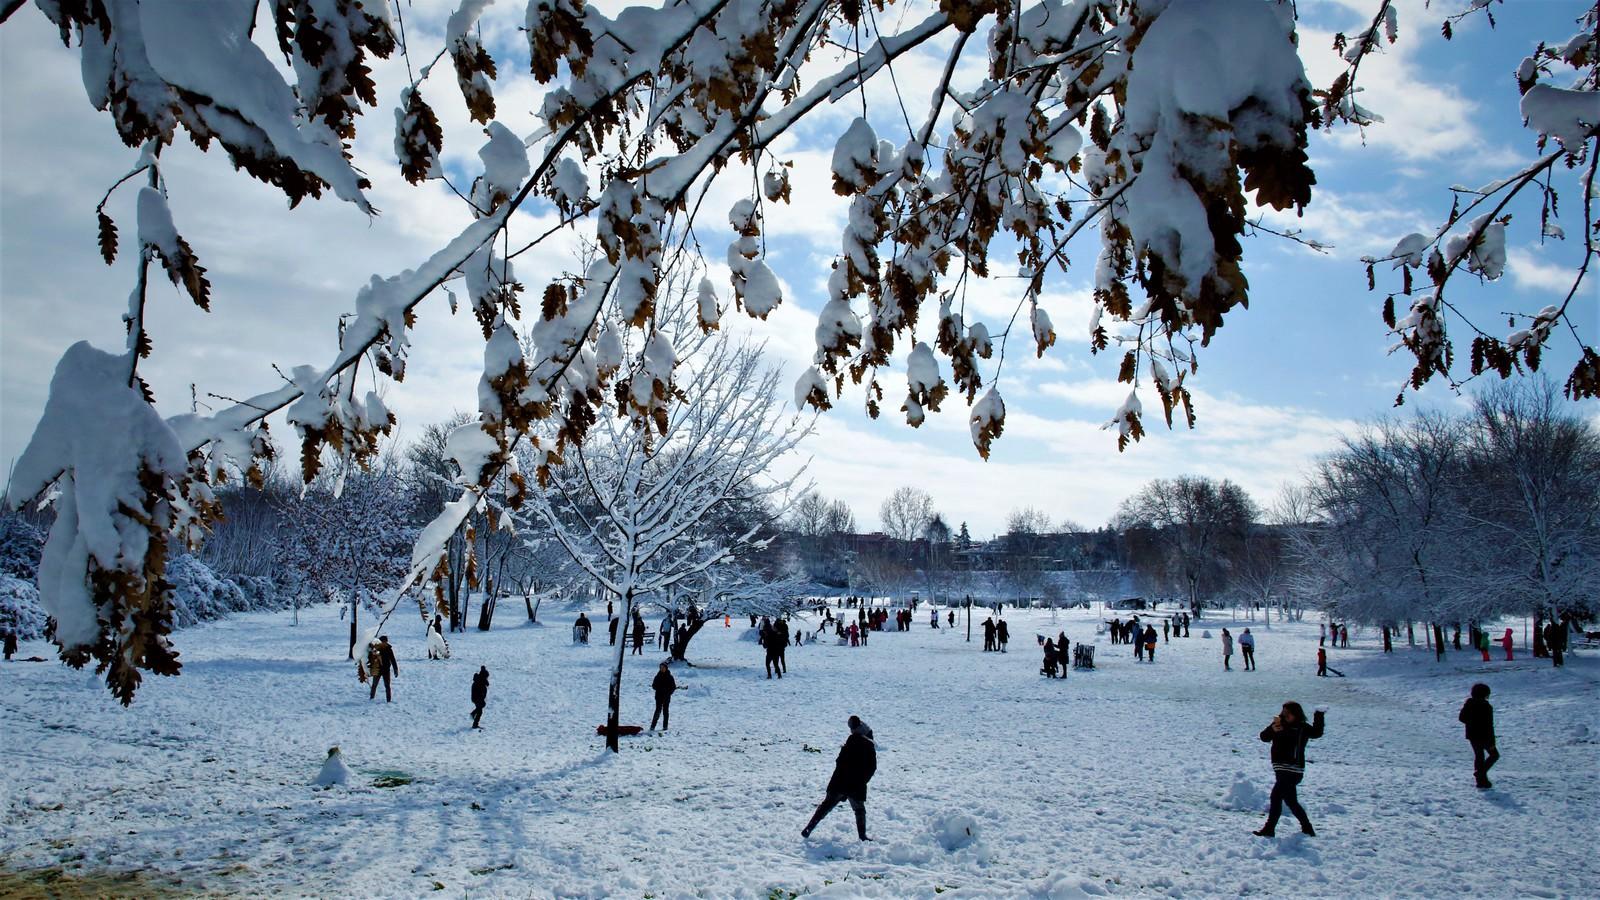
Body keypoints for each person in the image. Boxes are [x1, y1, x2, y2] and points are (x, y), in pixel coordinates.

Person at [1254, 702, 1325, 837]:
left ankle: (1269, 829)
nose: (1285, 716)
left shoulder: (1302, 728)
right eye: (1283, 712)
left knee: (1276, 797)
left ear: (1296, 714)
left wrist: (1319, 714)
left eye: (1288, 713)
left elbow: (1317, 733)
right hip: (1280, 769)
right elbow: (1264, 737)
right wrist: (1272, 730)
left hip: (1293, 771)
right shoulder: (1279, 724)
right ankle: (1307, 828)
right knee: (1291, 801)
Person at [801, 715, 877, 841]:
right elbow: (872, 768)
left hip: (839, 781)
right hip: (855, 784)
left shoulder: (849, 743)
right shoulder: (868, 745)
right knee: (859, 810)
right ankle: (862, 836)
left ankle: (808, 829)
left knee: (826, 806)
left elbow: (839, 761)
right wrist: (862, 781)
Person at [1458, 682, 1499, 788]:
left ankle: (1480, 780)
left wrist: (1472, 722)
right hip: (1485, 736)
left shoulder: (1469, 703)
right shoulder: (1486, 706)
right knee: (1494, 755)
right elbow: (1489, 725)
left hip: (1472, 735)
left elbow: (1462, 718)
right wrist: (1492, 741)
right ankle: (1480, 773)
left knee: (1479, 756)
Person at [368, 635, 398, 702]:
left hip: (386, 670)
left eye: (385, 641)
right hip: (377, 669)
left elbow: (393, 660)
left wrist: (395, 669)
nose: (385, 643)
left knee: (387, 686)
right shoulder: (376, 649)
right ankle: (371, 698)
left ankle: (388, 700)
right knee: (374, 685)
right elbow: (370, 657)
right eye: (383, 641)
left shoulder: (389, 649)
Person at [650, 661, 677, 730]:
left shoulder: (670, 677)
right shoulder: (657, 676)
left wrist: (669, 692)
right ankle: (653, 726)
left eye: (663, 667)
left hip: (666, 697)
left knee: (665, 711)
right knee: (657, 711)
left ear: (666, 668)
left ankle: (665, 726)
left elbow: (673, 687)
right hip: (658, 696)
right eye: (660, 668)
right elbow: (653, 686)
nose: (662, 669)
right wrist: (659, 688)